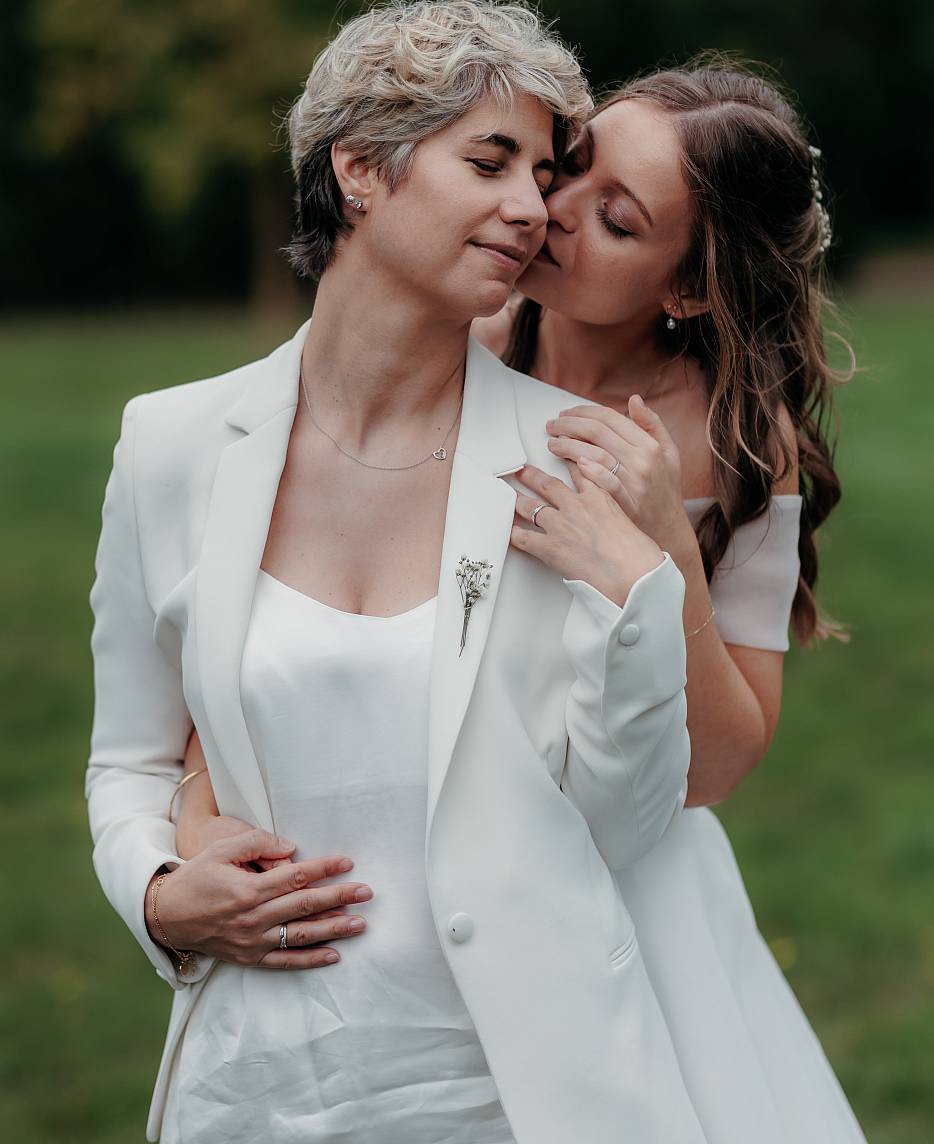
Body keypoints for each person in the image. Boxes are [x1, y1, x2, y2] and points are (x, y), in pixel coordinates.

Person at [177, 57, 867, 1141]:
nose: (552, 212)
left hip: (617, 885)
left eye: (618, 220)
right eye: (572, 169)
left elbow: (721, 764)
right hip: (407, 852)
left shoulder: (731, 440)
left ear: (684, 288)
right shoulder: (453, 348)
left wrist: (660, 557)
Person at [86, 0, 712, 1144]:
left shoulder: (570, 459)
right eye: (492, 160)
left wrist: (638, 599)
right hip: (260, 1090)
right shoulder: (170, 445)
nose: (533, 208)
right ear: (361, 169)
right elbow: (127, 759)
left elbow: (625, 825)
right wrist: (161, 896)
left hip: (519, 1091)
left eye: (543, 171)